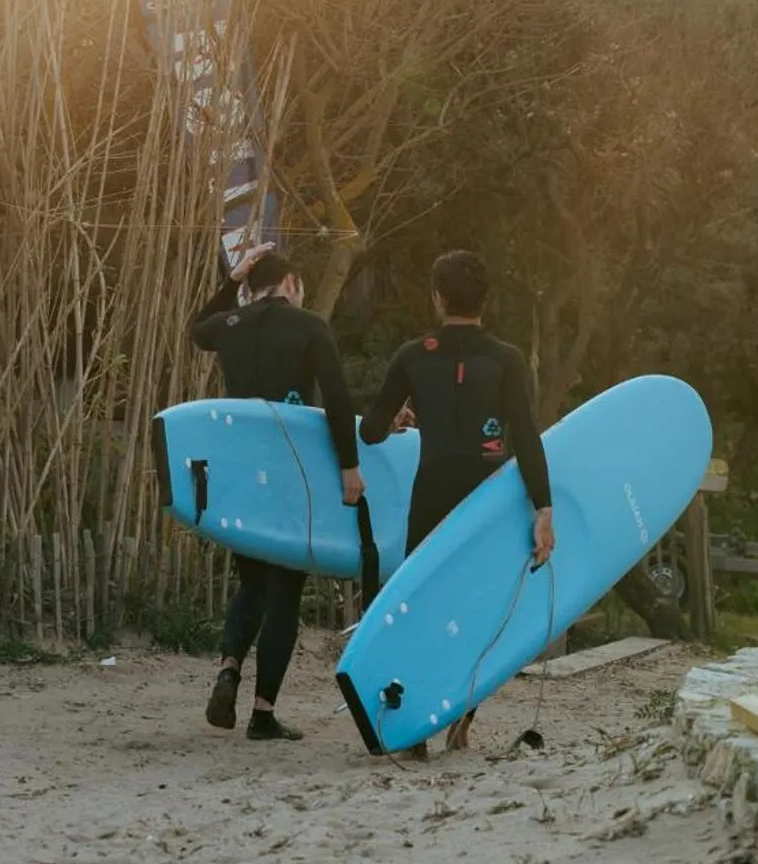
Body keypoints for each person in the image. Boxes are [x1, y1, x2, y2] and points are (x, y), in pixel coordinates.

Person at [359, 249, 554, 753]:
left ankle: (412, 726)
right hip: (484, 502)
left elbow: (372, 430)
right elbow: (527, 439)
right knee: (477, 612)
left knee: (420, 606)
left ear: (438, 298)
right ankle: (461, 720)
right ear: (485, 301)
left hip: (431, 497)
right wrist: (544, 510)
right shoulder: (506, 359)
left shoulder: (412, 355)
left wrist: (402, 415)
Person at [190, 244, 364, 740]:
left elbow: (198, 328)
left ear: (253, 285)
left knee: (251, 582)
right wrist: (349, 465)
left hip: (240, 473)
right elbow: (336, 397)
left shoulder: (233, 325)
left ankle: (228, 668)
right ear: (290, 283)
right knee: (285, 588)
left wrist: (232, 279)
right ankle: (262, 714)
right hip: (290, 475)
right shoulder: (309, 326)